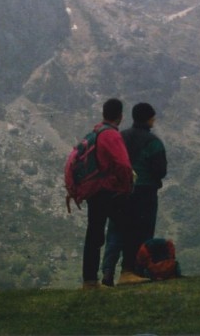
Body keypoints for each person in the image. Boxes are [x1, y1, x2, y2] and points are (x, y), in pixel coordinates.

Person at [65, 98, 134, 289]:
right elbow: (123, 164)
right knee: (128, 227)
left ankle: (89, 280)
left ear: (104, 113)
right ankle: (127, 271)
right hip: (110, 190)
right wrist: (126, 186)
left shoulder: (94, 133)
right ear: (120, 116)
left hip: (94, 192)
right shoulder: (111, 135)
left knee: (94, 233)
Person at [101, 102, 168, 286]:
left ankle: (107, 271)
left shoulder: (120, 137)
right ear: (149, 118)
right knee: (142, 232)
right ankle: (132, 271)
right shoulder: (153, 142)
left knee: (116, 231)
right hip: (144, 191)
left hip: (120, 191)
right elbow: (160, 170)